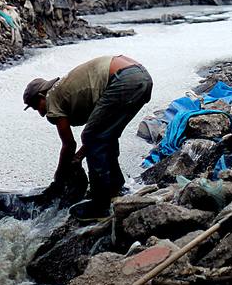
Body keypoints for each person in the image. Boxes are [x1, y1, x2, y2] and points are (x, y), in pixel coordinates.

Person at [23, 54, 153, 219]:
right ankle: (115, 187)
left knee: (92, 134)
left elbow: (69, 145)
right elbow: (100, 134)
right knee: (106, 135)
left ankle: (100, 205)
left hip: (124, 79)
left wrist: (58, 181)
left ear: (42, 96)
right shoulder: (66, 90)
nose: (41, 113)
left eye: (37, 107)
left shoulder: (52, 98)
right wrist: (78, 158)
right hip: (140, 76)